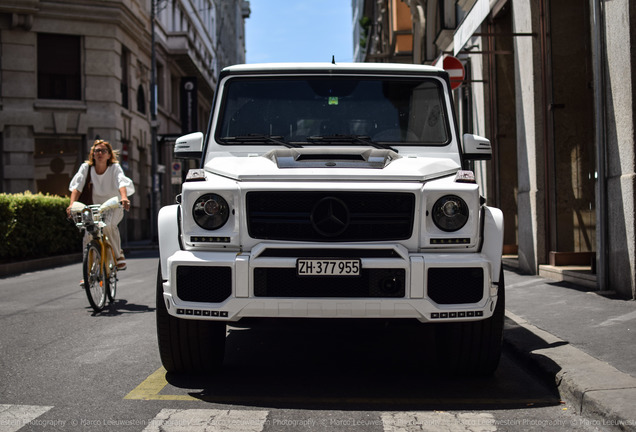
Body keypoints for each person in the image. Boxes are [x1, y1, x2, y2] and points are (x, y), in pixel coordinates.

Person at [67, 139, 135, 270]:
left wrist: (124, 198)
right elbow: (77, 187)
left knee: (109, 225)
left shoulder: (114, 168)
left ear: (109, 155)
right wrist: (71, 205)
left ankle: (118, 255)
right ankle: (89, 272)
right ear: (92, 154)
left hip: (114, 205)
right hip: (95, 208)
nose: (100, 153)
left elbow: (121, 182)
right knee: (88, 234)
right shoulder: (86, 168)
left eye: (104, 151)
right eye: (97, 151)